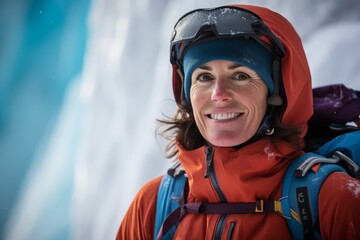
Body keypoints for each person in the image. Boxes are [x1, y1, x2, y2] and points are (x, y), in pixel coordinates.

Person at [117, 4, 360, 239]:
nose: (218, 93)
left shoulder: (333, 200)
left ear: (276, 94)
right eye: (204, 77)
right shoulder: (151, 206)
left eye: (241, 76)